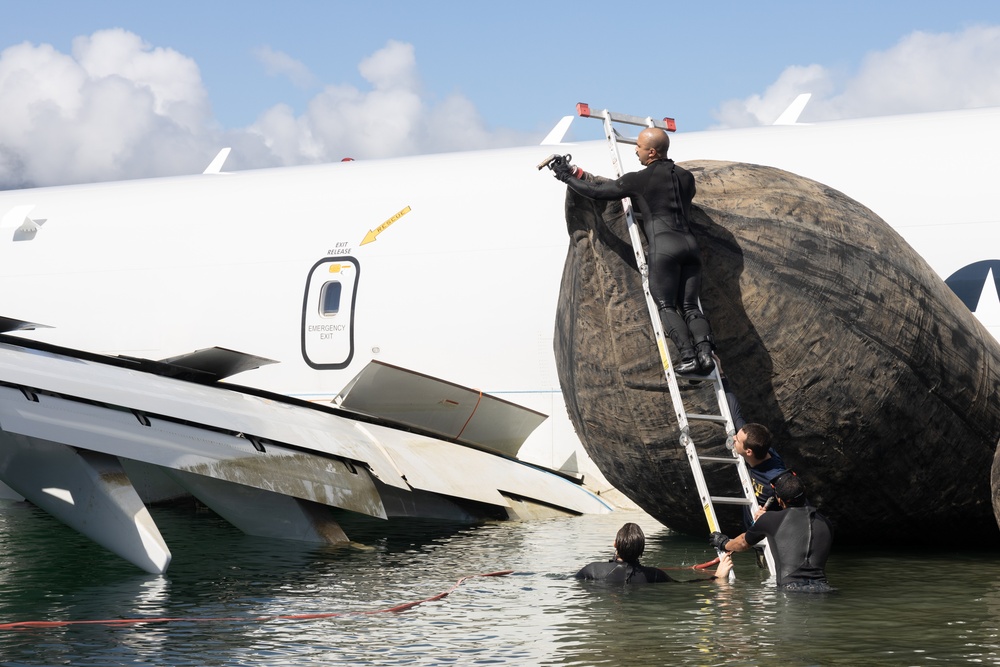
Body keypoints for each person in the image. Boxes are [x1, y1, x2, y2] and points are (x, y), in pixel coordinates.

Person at [550, 127, 715, 374]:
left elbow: (597, 192)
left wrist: (566, 176)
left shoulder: (639, 179)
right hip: (691, 247)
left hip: (664, 248)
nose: (635, 150)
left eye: (638, 146)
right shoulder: (686, 177)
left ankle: (688, 356)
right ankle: (705, 354)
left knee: (666, 305)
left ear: (651, 152)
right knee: (690, 306)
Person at [709, 472, 834, 592]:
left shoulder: (770, 519)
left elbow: (742, 543)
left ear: (779, 500)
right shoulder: (826, 523)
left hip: (790, 590)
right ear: (805, 492)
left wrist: (723, 543)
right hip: (823, 588)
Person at [576, 521, 732, 584]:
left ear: (615, 544)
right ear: (642, 550)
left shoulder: (592, 570)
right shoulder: (654, 575)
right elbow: (685, 585)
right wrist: (716, 577)